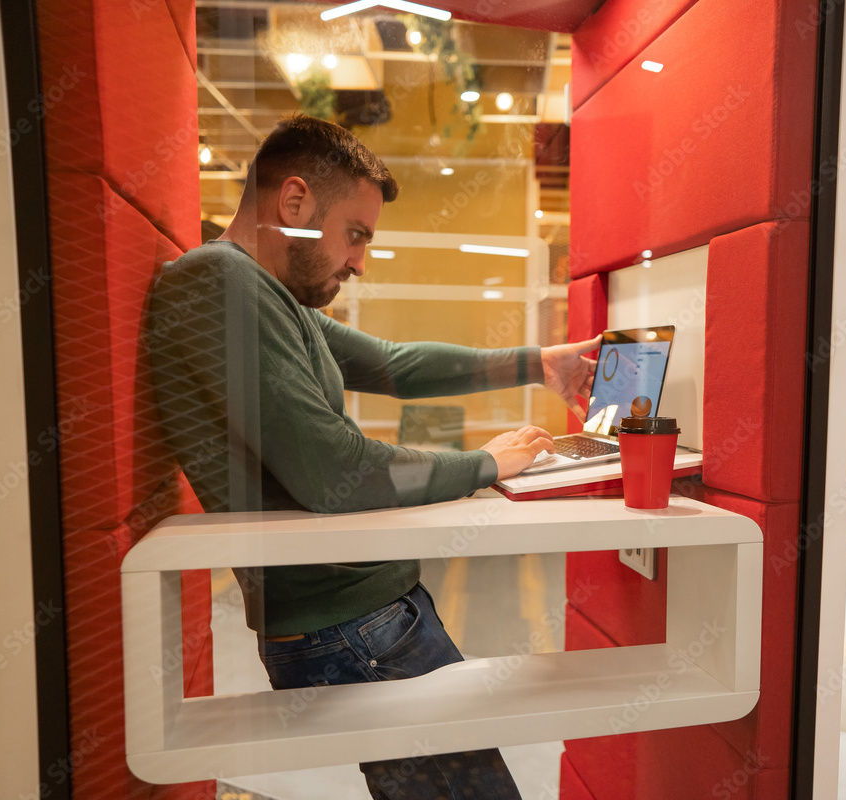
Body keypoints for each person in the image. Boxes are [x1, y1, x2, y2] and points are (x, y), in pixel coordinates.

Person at [146, 115, 600, 800]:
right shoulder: (218, 282)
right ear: (295, 203)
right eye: (355, 234)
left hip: (369, 619)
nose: (360, 260)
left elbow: (396, 366)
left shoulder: (271, 295)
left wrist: (538, 362)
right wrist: (485, 464)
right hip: (346, 627)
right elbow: (335, 471)